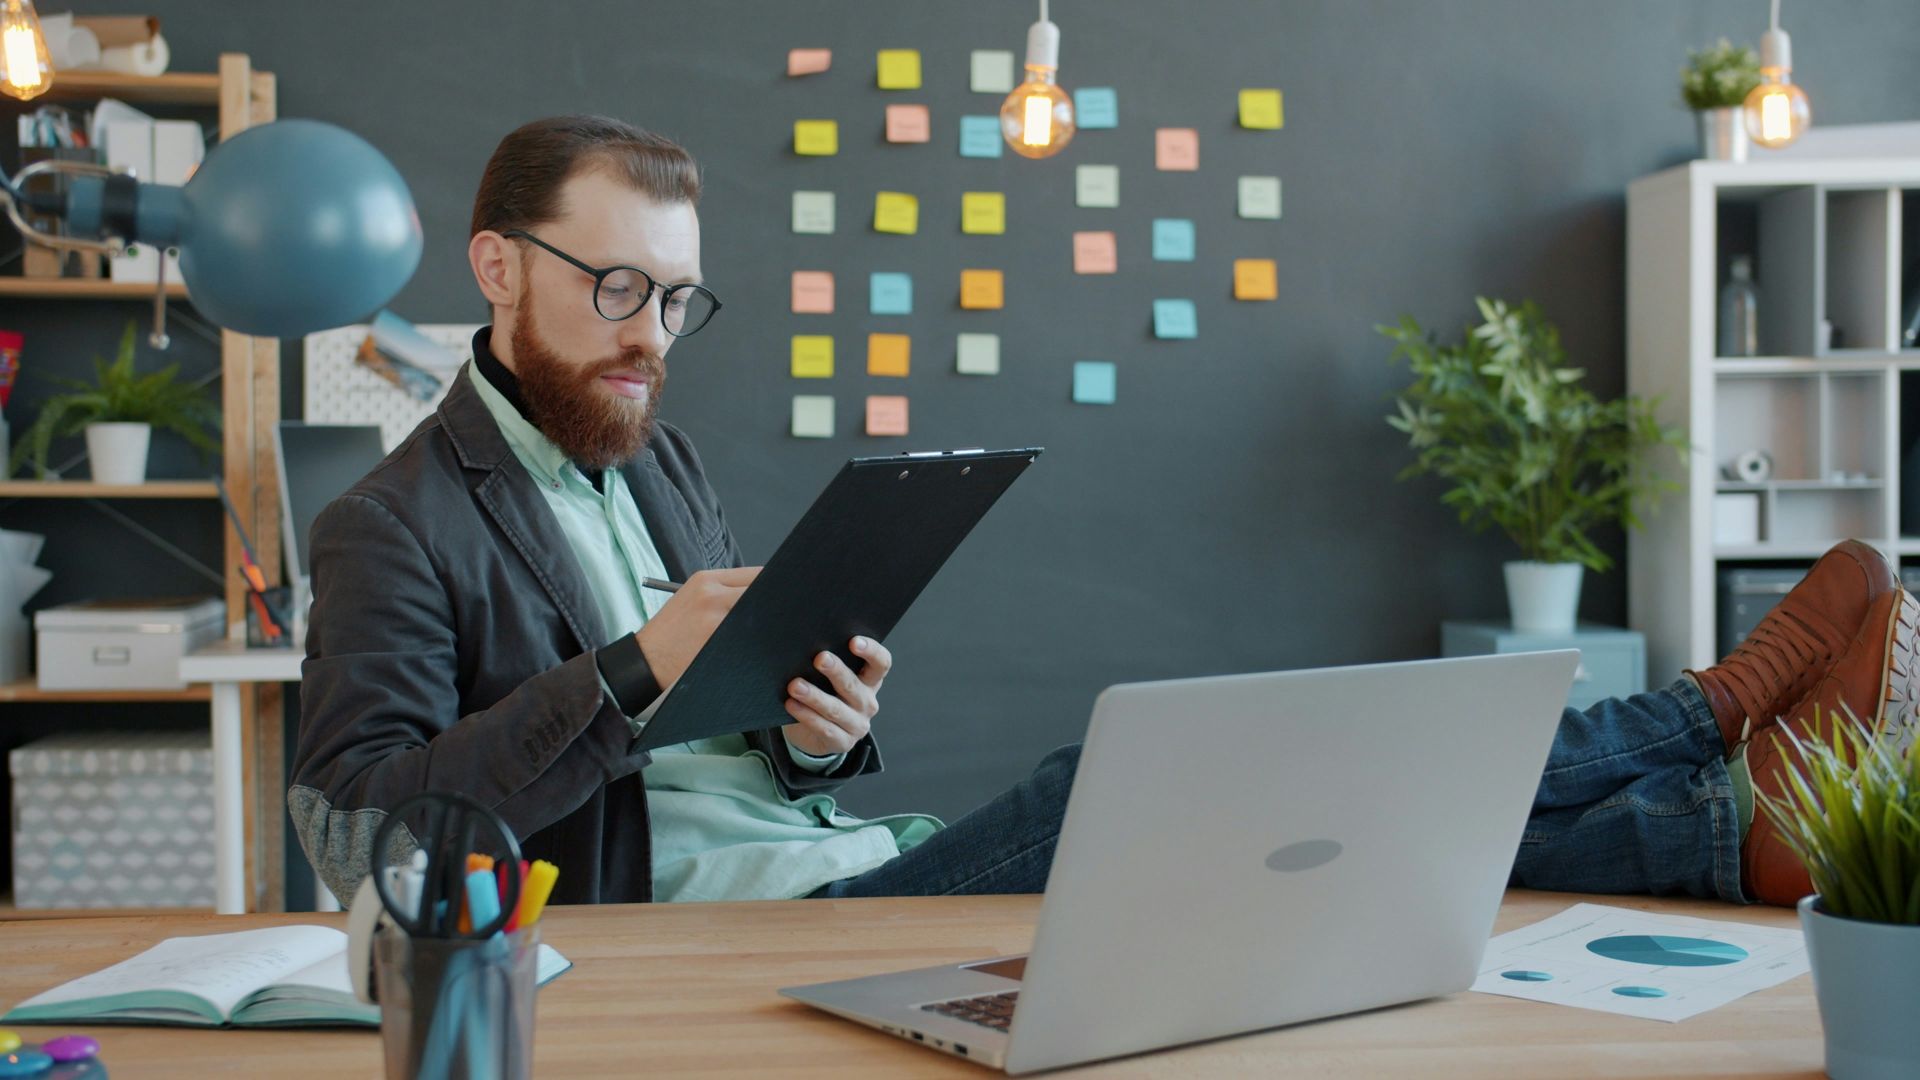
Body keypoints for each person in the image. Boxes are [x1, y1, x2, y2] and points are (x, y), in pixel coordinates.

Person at [289, 115, 1915, 910]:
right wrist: (633, 669)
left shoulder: (652, 452)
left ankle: (1714, 819)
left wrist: (821, 721)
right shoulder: (397, 521)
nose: (654, 335)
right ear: (498, 268)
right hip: (706, 938)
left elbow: (747, 758)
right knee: (1142, 779)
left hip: (848, 851)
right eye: (620, 287)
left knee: (1240, 845)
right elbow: (358, 833)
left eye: (681, 298)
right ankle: (1705, 721)